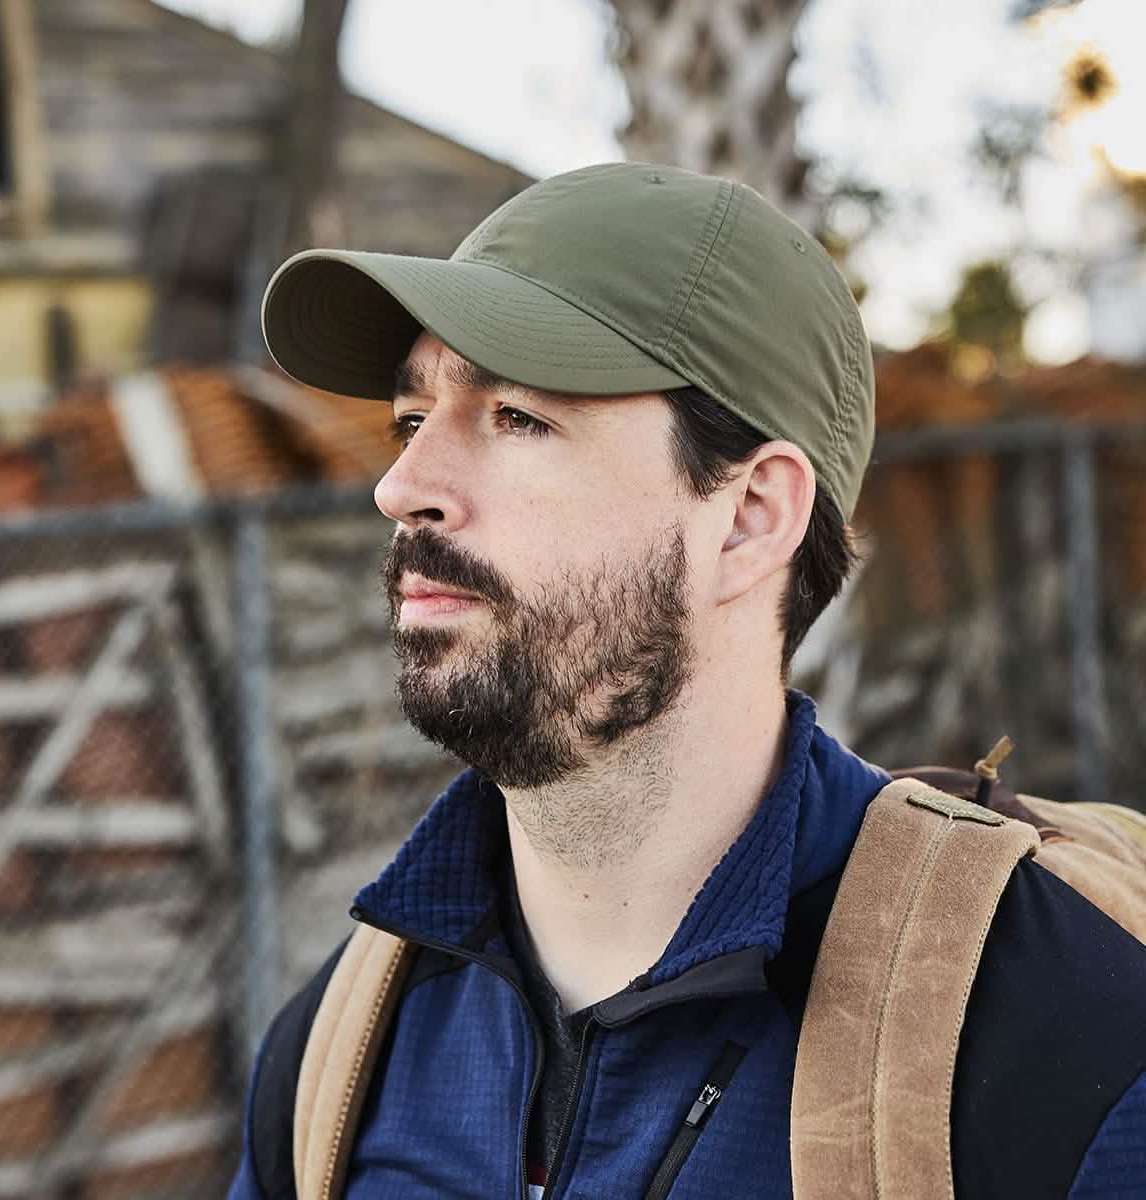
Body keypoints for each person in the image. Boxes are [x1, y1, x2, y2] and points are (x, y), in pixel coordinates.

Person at [230, 163, 1146, 1199]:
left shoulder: (1067, 1063)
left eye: (518, 417)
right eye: (412, 420)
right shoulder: (338, 1064)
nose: (403, 487)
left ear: (752, 516)